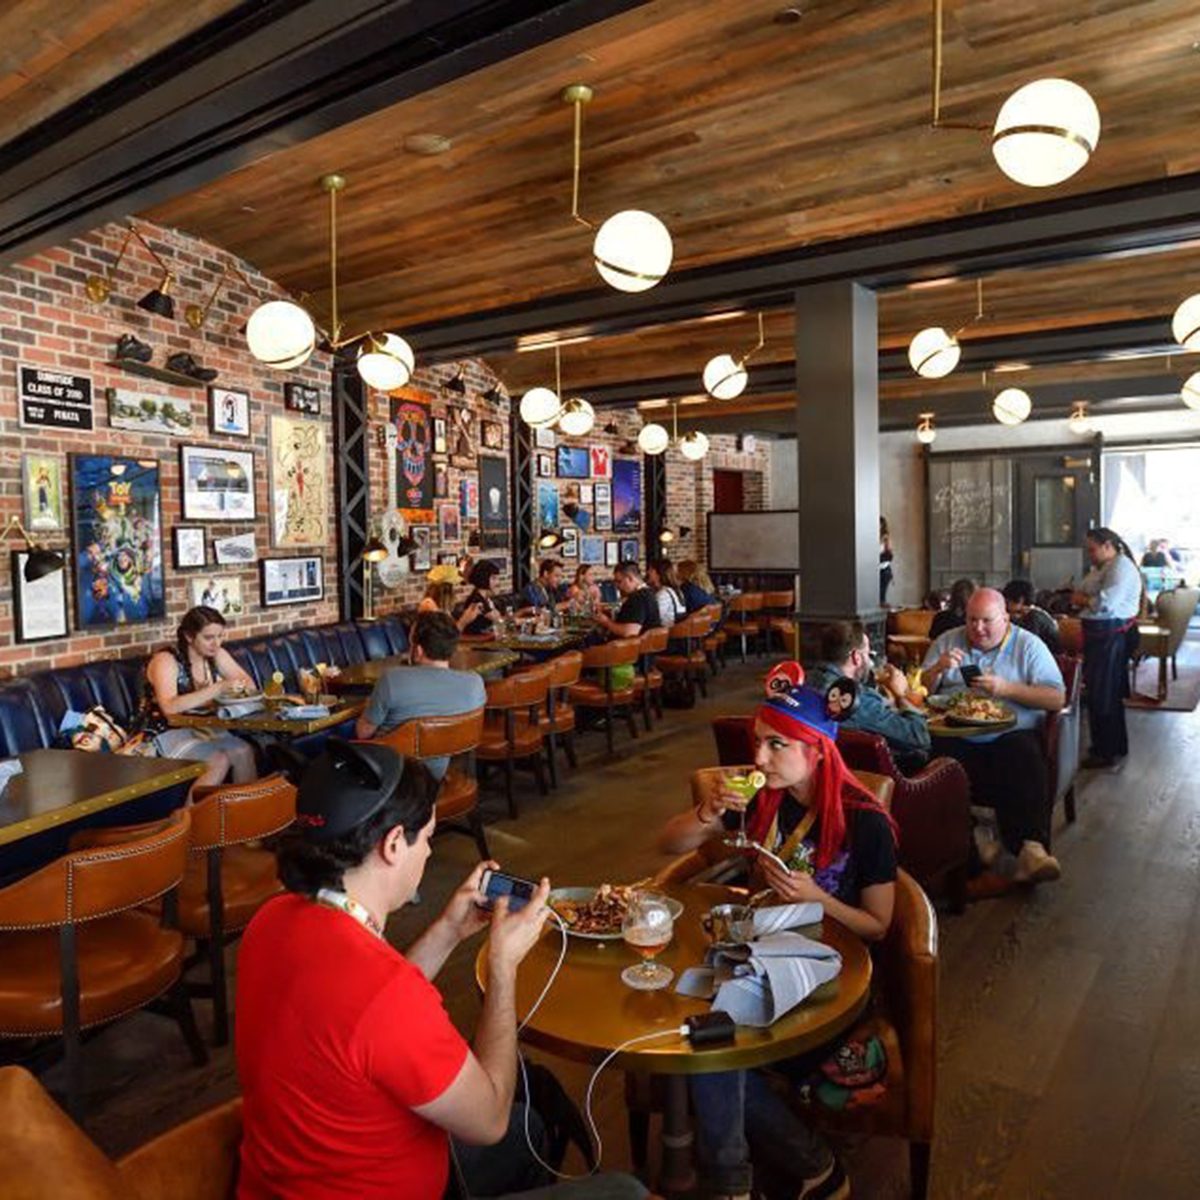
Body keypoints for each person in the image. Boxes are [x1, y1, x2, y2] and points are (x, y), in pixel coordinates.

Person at [236, 740, 647, 1200]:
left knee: (526, 1128)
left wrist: (449, 929)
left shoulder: (271, 921)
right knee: (622, 1190)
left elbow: (368, 1026)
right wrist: (503, 966)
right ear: (393, 844)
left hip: (288, 1178)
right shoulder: (384, 993)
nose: (429, 852)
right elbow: (488, 1118)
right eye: (428, 837)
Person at [658, 662, 897, 1200]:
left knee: (711, 1044)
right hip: (757, 953)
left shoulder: (865, 821)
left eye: (775, 745)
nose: (759, 758)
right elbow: (668, 844)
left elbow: (879, 926)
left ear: (816, 750)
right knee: (693, 1022)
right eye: (757, 742)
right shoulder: (760, 797)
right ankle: (790, 1171)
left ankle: (745, 1178)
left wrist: (819, 898)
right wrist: (707, 808)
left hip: (832, 977)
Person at [921, 588, 1066, 883]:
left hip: (1010, 734)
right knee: (929, 756)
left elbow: (1056, 698)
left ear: (1006, 618)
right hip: (956, 732)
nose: (977, 628)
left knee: (1023, 752)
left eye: (987, 621)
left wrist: (1006, 689)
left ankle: (1031, 849)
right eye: (972, 620)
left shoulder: (1029, 646)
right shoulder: (948, 640)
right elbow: (919, 689)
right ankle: (974, 841)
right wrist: (936, 669)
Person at [355, 612, 486, 780]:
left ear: (418, 650)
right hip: (437, 777)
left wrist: (369, 704)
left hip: (388, 780)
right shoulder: (475, 684)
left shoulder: (391, 679)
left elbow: (362, 733)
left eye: (410, 643)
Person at [142, 605, 258, 788]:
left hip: (205, 727)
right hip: (166, 732)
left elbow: (248, 684)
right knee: (218, 761)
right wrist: (218, 689)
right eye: (208, 638)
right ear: (189, 637)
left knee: (244, 751)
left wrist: (234, 688)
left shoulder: (215, 654)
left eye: (220, 636)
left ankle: (243, 813)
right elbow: (169, 707)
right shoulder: (166, 660)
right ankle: (189, 816)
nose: (216, 643)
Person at [808, 621, 930, 769]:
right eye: (868, 654)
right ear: (856, 657)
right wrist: (901, 694)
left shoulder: (808, 679)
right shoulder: (853, 700)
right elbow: (919, 736)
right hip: (877, 776)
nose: (870, 662)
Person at [1072, 527, 1143, 769]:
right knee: (1102, 692)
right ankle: (1111, 746)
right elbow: (1082, 590)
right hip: (1100, 637)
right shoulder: (1104, 567)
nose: (1089, 554)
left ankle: (1106, 751)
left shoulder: (1121, 568)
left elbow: (1106, 603)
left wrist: (1083, 599)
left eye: (1092, 549)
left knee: (1104, 694)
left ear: (1107, 545)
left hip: (1110, 638)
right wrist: (1083, 597)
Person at [593, 561, 662, 638]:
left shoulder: (638, 597)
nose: (617, 586)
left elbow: (629, 632)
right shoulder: (648, 592)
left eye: (619, 582)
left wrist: (606, 622)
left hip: (626, 648)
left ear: (630, 578)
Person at [419, 564, 481, 633]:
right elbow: (447, 637)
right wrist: (464, 621)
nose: (454, 594)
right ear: (446, 591)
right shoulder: (429, 605)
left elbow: (452, 631)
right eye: (452, 588)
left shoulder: (441, 607)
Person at [1001, 579, 1060, 653]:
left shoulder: (1035, 617)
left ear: (1021, 600)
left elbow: (1027, 644)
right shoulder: (1026, 614)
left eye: (1007, 601)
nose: (1004, 605)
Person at [459, 560, 505, 636]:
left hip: (486, 639)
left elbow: (500, 619)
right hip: (477, 643)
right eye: (494, 578)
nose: (497, 582)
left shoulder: (485, 598)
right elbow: (500, 620)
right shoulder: (477, 601)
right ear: (484, 578)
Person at [646, 558, 686, 628]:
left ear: (658, 574)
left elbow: (652, 618)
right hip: (674, 632)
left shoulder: (664, 594)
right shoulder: (675, 590)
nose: (647, 572)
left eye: (650, 570)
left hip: (668, 635)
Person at [879, 515, 894, 606]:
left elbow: (889, 555)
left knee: (882, 596)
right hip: (872, 568)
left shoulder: (885, 538)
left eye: (880, 524)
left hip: (884, 568)